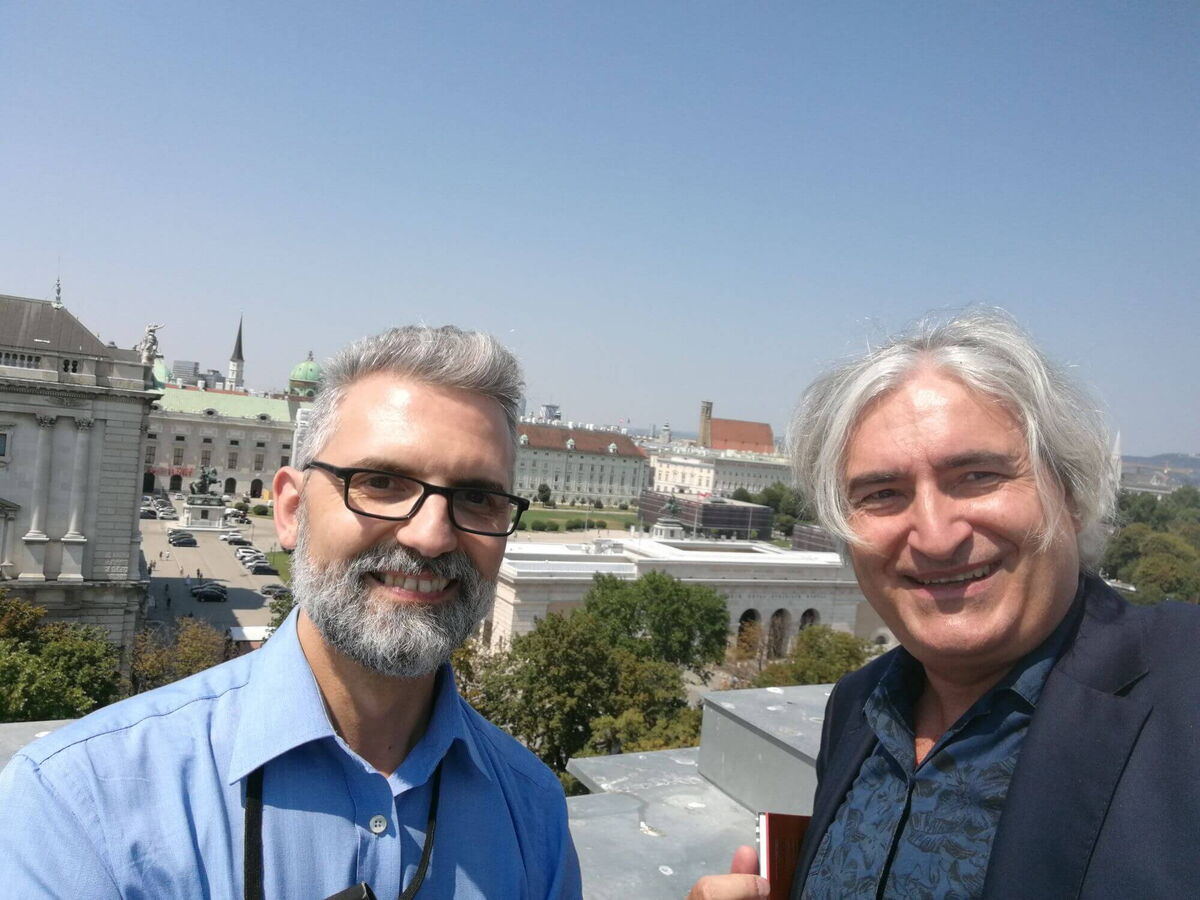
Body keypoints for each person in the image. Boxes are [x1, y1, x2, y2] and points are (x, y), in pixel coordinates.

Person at [0, 325, 582, 898]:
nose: (430, 536)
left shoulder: (533, 809)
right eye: (380, 482)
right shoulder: (79, 802)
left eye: (477, 497)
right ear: (291, 511)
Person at [690, 309, 1200, 900]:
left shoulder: (1185, 689)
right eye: (882, 494)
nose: (935, 537)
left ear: (1072, 494)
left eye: (978, 476)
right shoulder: (857, 708)